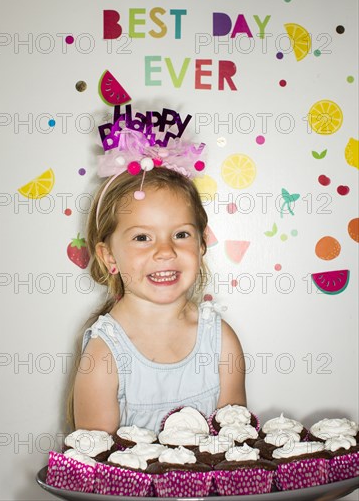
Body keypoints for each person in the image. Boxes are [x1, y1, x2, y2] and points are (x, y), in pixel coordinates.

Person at [66, 135, 246, 435]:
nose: (165, 251)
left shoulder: (221, 342)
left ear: (202, 244)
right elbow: (97, 471)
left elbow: (238, 446)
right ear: (108, 255)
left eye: (181, 234)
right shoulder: (104, 355)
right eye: (142, 238)